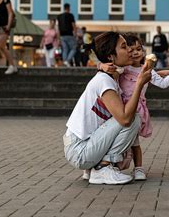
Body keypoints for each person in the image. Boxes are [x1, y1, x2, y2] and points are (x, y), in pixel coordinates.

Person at [63, 31, 152, 185]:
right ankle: (103, 168)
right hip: (79, 151)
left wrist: (100, 64)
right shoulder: (104, 81)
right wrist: (139, 84)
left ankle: (98, 167)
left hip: (82, 147)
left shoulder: (112, 76)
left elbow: (112, 67)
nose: (130, 50)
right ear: (111, 56)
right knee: (133, 118)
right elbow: (124, 119)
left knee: (131, 119)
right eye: (124, 47)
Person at [116, 34, 169, 180]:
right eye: (131, 49)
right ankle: (111, 166)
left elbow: (162, 83)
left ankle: (139, 169)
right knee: (117, 140)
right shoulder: (123, 68)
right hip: (120, 108)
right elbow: (108, 70)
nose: (136, 52)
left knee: (134, 142)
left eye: (139, 49)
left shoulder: (148, 70)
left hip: (137, 110)